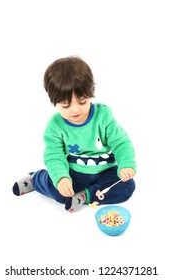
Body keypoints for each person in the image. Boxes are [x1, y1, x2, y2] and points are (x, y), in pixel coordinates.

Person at [12, 56, 136, 212]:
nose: (75, 110)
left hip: (105, 171)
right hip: (74, 173)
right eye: (66, 105)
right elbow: (54, 156)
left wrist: (126, 165)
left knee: (128, 187)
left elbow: (121, 143)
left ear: (91, 93)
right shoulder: (55, 127)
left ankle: (85, 196)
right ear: (54, 102)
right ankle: (36, 179)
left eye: (82, 101)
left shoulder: (103, 117)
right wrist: (62, 178)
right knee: (59, 191)